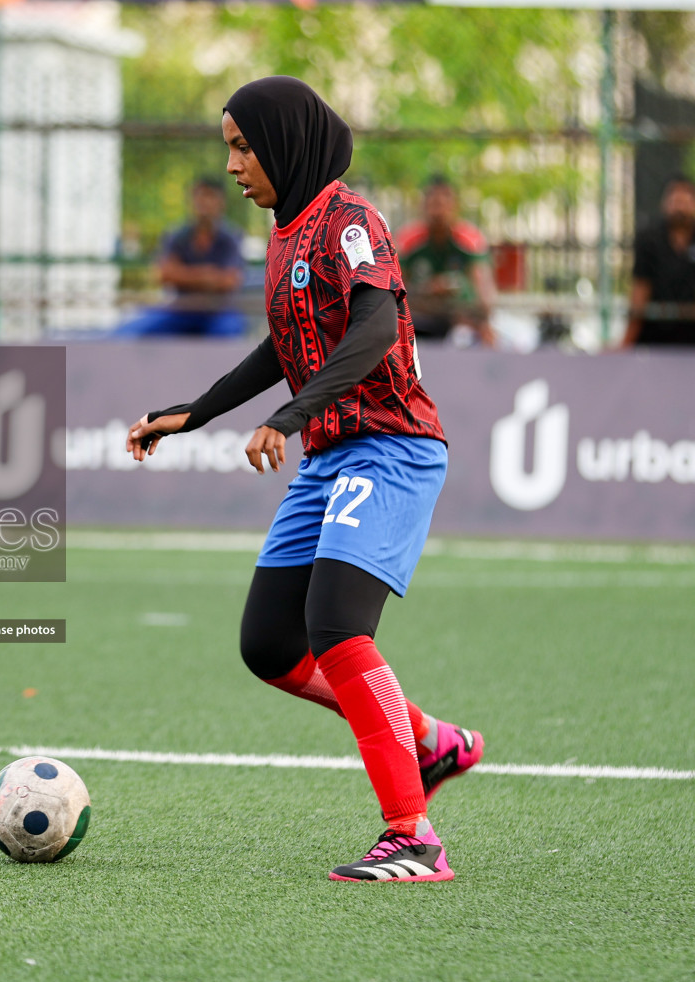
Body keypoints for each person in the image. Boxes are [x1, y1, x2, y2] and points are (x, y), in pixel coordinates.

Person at [126, 77, 484, 883]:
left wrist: (287, 418)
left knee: (337, 627)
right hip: (329, 457)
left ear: (284, 142)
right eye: (229, 147)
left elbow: (374, 327)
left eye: (243, 146)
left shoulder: (349, 220)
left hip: (390, 448)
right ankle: (428, 741)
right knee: (270, 643)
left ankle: (414, 837)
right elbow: (282, 347)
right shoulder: (287, 234)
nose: (232, 166)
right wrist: (197, 412)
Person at [114, 179, 247, 337]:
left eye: (210, 197)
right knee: (128, 332)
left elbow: (230, 281)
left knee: (230, 335)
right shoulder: (176, 235)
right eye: (199, 197)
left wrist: (183, 274)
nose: (204, 203)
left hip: (219, 311)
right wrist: (209, 275)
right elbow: (163, 274)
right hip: (180, 309)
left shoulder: (231, 237)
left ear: (221, 202)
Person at [396, 175, 496, 346]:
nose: (438, 212)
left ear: (455, 207)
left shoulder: (470, 240)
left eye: (443, 204)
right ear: (423, 207)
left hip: (460, 320)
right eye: (433, 205)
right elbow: (395, 291)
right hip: (419, 320)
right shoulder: (407, 240)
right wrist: (429, 290)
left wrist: (483, 320)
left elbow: (484, 292)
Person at [620, 177, 695, 347]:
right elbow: (640, 289)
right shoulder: (649, 241)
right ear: (665, 204)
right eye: (675, 201)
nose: (680, 208)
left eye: (685, 201)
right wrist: (627, 342)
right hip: (655, 338)